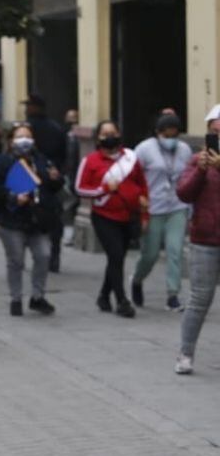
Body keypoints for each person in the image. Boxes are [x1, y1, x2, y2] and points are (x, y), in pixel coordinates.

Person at [75, 120, 149, 318]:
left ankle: (103, 295)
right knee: (116, 256)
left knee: (116, 259)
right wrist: (104, 189)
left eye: (112, 132)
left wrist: (144, 213)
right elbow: (80, 188)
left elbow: (142, 185)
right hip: (104, 217)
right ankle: (122, 301)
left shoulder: (131, 158)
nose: (109, 137)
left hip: (129, 215)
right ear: (98, 138)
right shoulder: (90, 161)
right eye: (104, 133)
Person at [0, 122, 62, 317]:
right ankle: (16, 298)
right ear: (11, 141)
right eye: (19, 137)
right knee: (16, 261)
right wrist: (13, 197)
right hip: (11, 220)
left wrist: (56, 178)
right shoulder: (3, 162)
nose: (24, 141)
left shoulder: (41, 160)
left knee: (43, 255)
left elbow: (52, 187)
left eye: (28, 137)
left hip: (37, 220)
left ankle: (37, 296)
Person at [174, 105, 220, 374]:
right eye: (214, 133)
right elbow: (183, 193)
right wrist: (202, 170)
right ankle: (185, 353)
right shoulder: (196, 161)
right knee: (199, 299)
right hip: (205, 240)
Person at [131, 111, 192, 311]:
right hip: (153, 207)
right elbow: (133, 175)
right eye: (167, 135)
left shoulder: (184, 150)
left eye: (174, 135)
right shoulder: (144, 149)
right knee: (151, 253)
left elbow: (189, 177)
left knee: (175, 251)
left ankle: (173, 295)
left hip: (177, 206)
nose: (171, 139)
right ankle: (137, 279)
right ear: (158, 132)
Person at [23, 95, 69, 271]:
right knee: (54, 219)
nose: (26, 109)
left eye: (29, 105)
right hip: (52, 179)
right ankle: (53, 255)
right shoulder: (56, 128)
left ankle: (41, 254)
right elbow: (64, 155)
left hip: (33, 178)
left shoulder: (28, 129)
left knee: (32, 217)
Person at [61, 109, 81, 247]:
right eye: (69, 118)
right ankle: (68, 233)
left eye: (74, 118)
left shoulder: (77, 138)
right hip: (67, 174)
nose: (71, 121)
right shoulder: (64, 136)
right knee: (67, 205)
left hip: (77, 174)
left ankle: (71, 233)